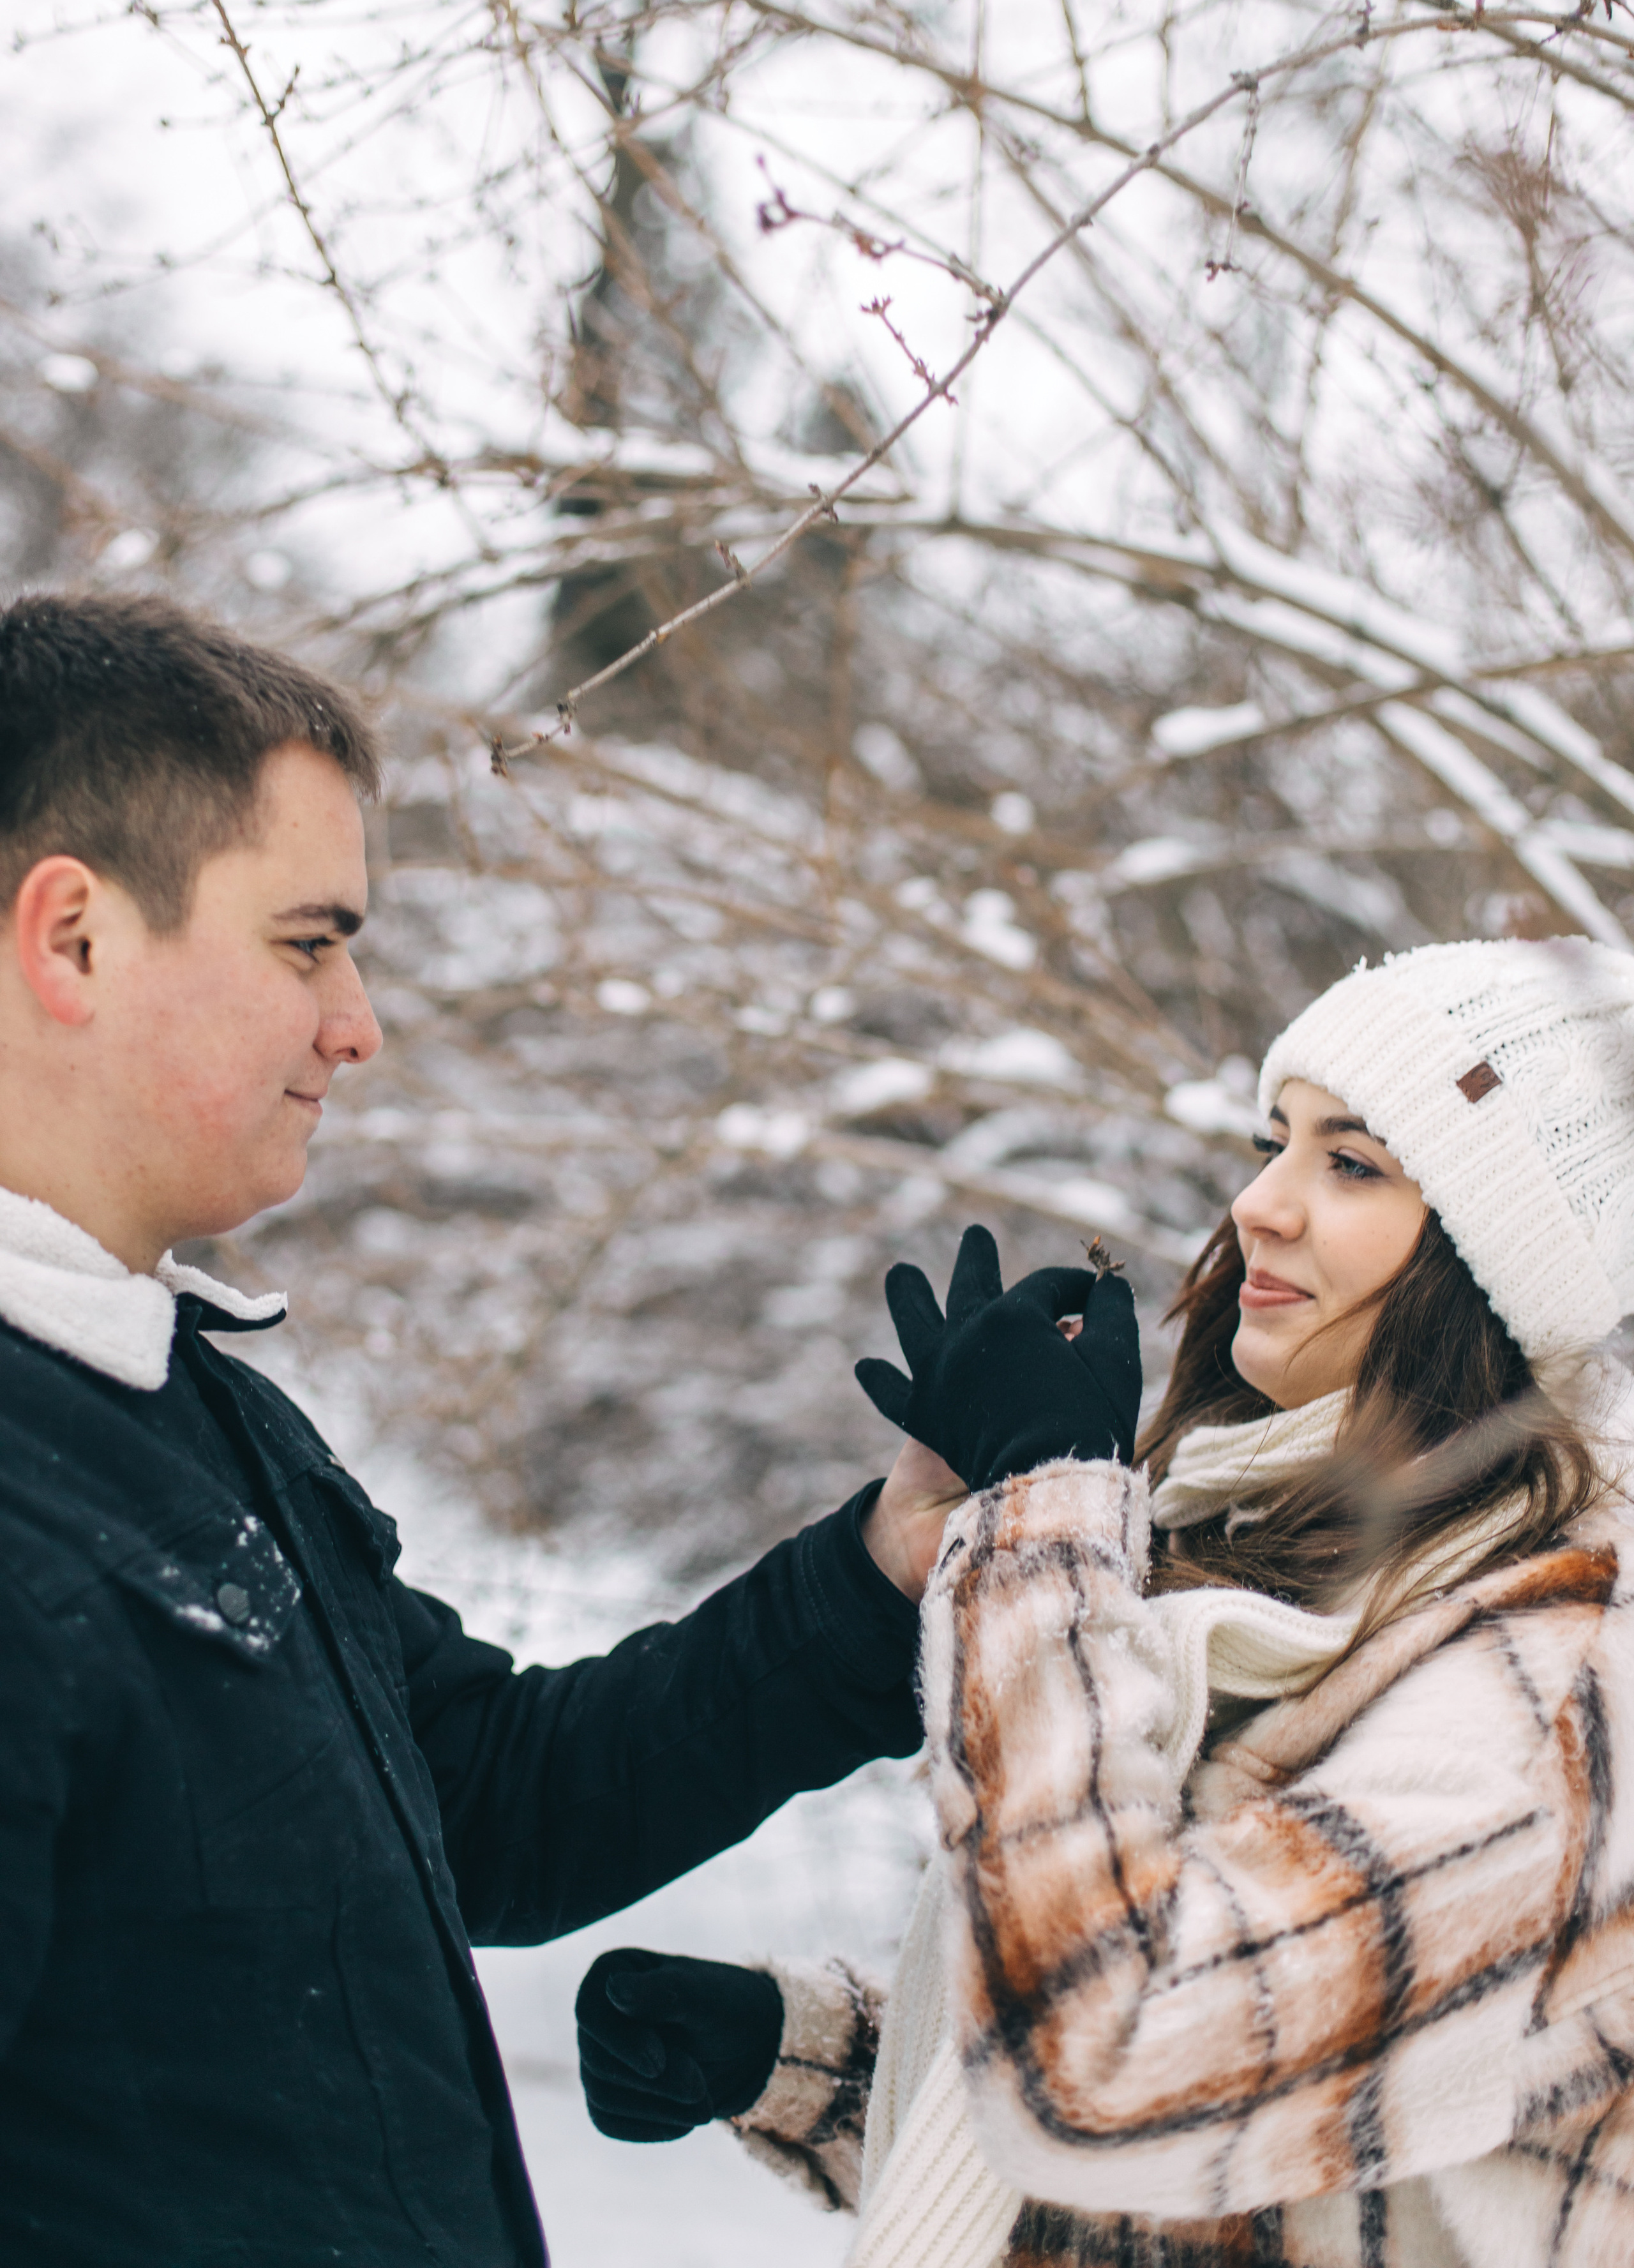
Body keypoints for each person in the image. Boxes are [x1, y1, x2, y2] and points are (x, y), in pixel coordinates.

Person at [0, 586, 1056, 2268]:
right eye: (307, 940)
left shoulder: (201, 1419)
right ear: (75, 939)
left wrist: (881, 1570)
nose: (358, 1020)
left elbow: (493, 1799)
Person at [578, 936, 1634, 2268]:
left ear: (1498, 1260)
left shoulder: (1554, 1691)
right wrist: (808, 2067)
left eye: (1350, 1163)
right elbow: (1249, 2141)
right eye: (1275, 1142)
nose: (1258, 1202)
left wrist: (1039, 1531)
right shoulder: (1305, 1569)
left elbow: (1114, 2057)